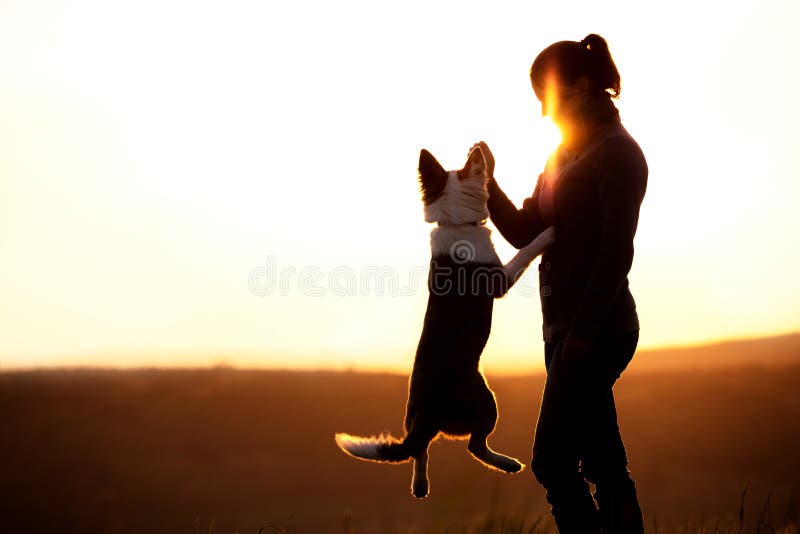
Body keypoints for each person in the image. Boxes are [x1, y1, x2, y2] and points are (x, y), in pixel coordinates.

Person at [477, 34, 648, 533]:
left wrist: (582, 336)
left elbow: (617, 252)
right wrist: (486, 181)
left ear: (582, 86)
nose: (544, 113)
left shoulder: (618, 155)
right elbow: (524, 229)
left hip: (598, 330)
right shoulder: (561, 155)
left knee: (551, 462)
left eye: (547, 99)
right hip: (564, 332)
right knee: (603, 464)